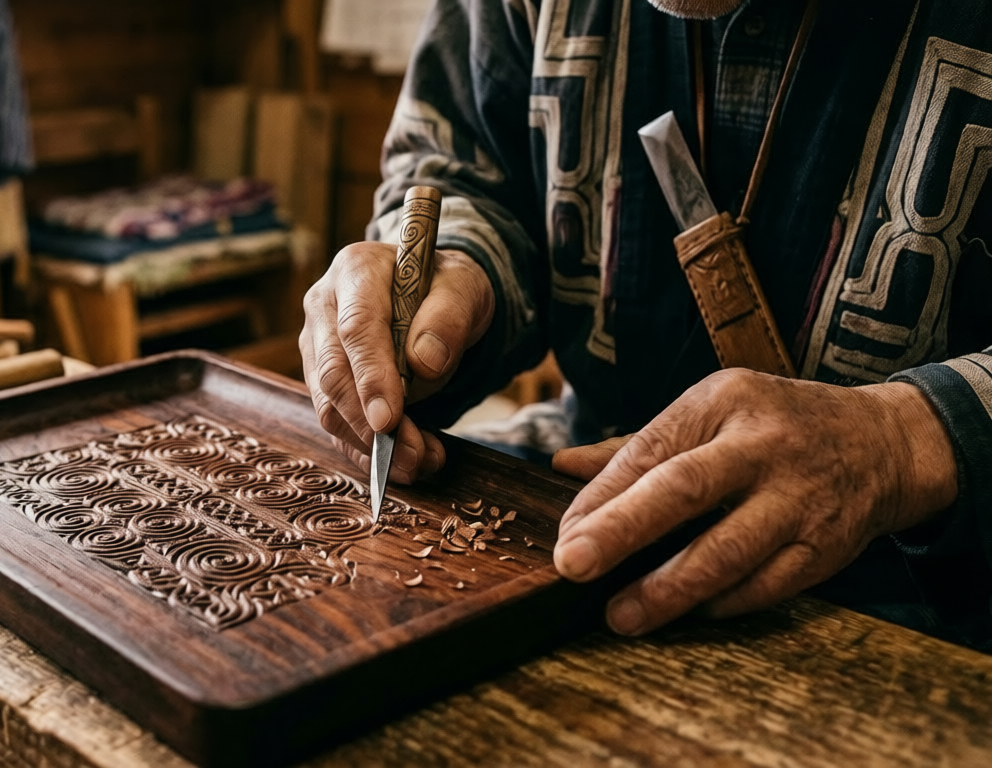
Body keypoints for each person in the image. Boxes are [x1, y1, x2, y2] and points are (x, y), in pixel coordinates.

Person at [300, 0, 992, 650]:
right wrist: (458, 275)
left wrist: (902, 443)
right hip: (576, 515)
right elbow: (463, 167)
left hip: (929, 603)